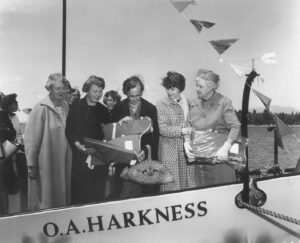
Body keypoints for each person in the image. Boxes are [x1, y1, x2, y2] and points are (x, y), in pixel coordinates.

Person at [184, 68, 240, 187]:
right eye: (196, 85)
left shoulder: (224, 102)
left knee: (223, 194)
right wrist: (187, 141)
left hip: (220, 160)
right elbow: (188, 124)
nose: (196, 89)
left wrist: (226, 147)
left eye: (200, 86)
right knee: (204, 195)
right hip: (200, 161)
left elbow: (235, 126)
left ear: (211, 87)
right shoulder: (193, 103)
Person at [24, 73, 72, 210]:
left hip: (63, 161)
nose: (61, 92)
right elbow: (31, 139)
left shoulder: (66, 106)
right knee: (45, 199)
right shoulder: (40, 108)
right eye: (57, 89)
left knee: (61, 199)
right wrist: (31, 164)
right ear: (50, 89)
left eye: (63, 88)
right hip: (45, 162)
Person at [112, 75, 159, 199]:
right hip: (125, 163)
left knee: (145, 198)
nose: (134, 99)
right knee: (124, 197)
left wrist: (144, 150)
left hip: (145, 162)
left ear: (141, 92)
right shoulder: (118, 108)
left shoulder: (151, 108)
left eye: (138, 95)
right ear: (126, 93)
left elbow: (155, 138)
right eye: (131, 96)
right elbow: (112, 138)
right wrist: (119, 123)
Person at [66, 75, 110, 205]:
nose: (98, 95)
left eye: (100, 91)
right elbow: (69, 131)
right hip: (79, 160)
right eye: (95, 91)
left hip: (98, 161)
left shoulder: (103, 110)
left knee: (97, 197)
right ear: (87, 90)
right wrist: (79, 146)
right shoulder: (75, 106)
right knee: (80, 197)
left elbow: (108, 136)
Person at [156, 71, 196, 192]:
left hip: (186, 148)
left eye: (173, 89)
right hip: (169, 150)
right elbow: (163, 129)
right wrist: (182, 130)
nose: (169, 92)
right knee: (170, 185)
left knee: (187, 183)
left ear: (180, 88)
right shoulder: (161, 103)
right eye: (167, 89)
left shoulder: (187, 102)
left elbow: (192, 123)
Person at [1, 93, 28, 212]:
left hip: (11, 149)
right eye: (15, 102)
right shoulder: (3, 115)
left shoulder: (10, 116)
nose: (17, 104)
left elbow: (16, 134)